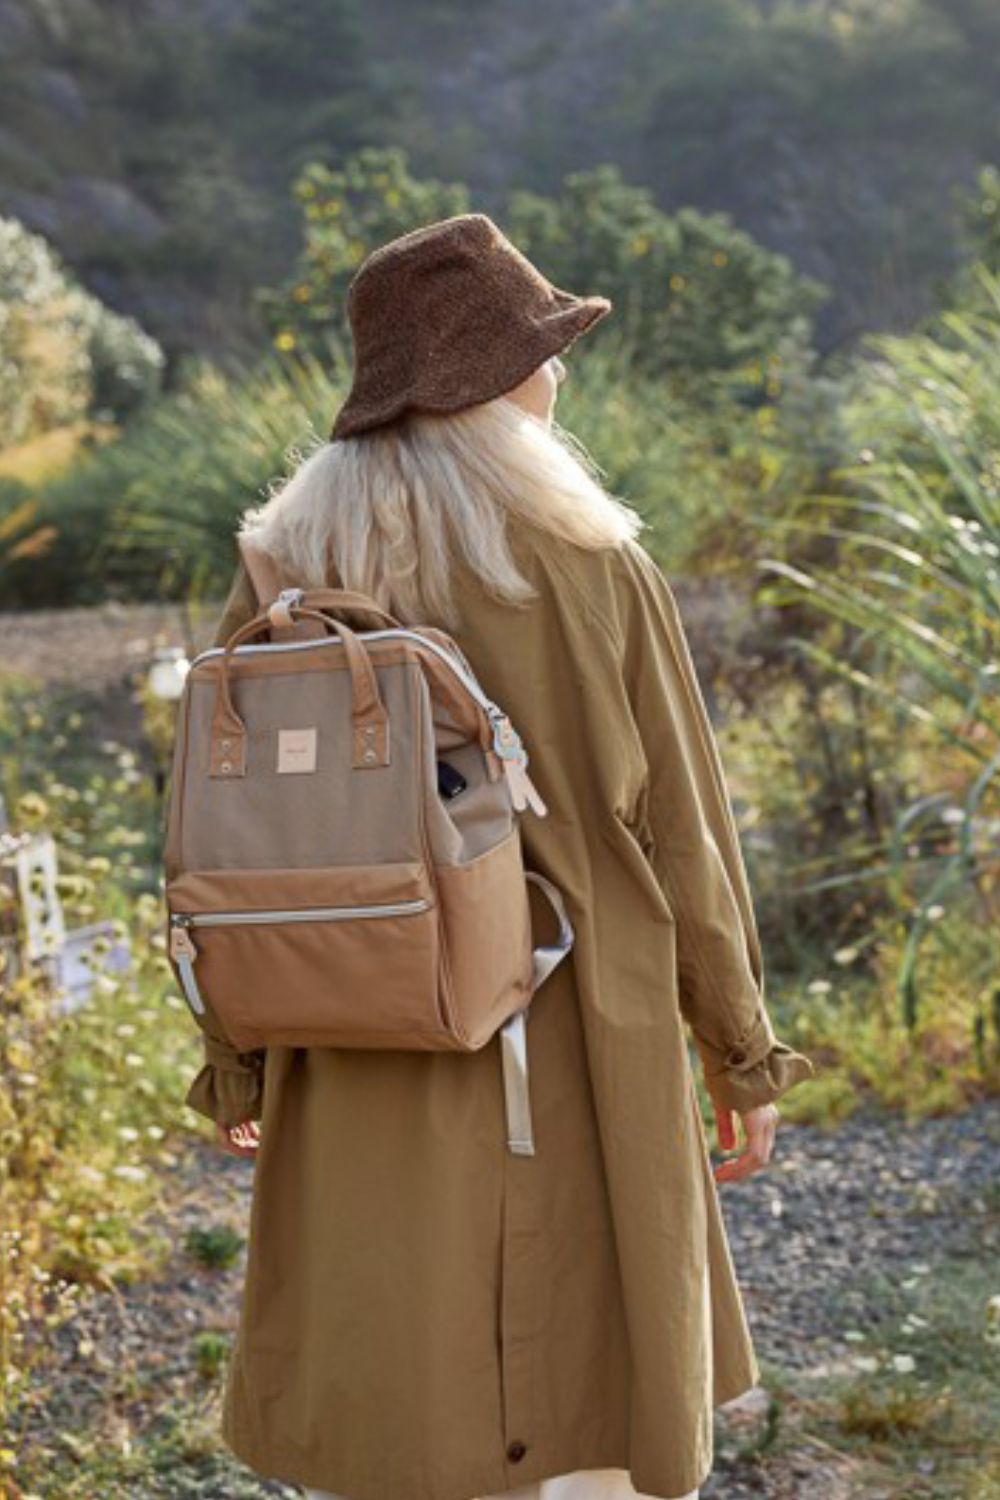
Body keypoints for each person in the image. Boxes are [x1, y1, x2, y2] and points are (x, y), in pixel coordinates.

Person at [184, 213, 816, 1500]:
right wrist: (737, 1048)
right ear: (480, 382)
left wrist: (237, 1056)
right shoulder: (592, 561)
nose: (560, 371)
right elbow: (679, 828)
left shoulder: (285, 568)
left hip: (352, 1011)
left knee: (397, 1361)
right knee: (588, 1360)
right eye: (543, 349)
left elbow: (230, 838)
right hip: (583, 1011)